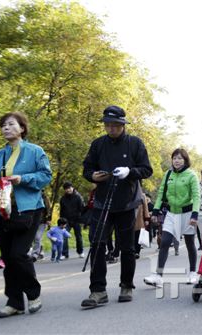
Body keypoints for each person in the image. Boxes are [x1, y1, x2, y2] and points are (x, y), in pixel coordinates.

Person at [81, 105, 153, 308]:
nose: (110, 128)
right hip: (102, 202)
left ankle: (127, 285)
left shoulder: (135, 144)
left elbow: (147, 169)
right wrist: (92, 175)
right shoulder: (98, 144)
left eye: (115, 125)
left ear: (123, 125)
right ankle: (97, 291)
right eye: (107, 125)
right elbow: (87, 169)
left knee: (127, 247)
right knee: (97, 244)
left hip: (127, 202)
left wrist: (129, 171)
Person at [0, 112, 52, 317]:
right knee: (7, 257)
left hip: (29, 209)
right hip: (3, 210)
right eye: (3, 125)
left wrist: (22, 178)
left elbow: (45, 176)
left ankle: (33, 295)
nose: (6, 128)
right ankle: (14, 302)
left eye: (11, 124)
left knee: (18, 254)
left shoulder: (34, 151)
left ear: (22, 128)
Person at [144, 148, 200, 288]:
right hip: (171, 214)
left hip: (187, 214)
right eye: (175, 158)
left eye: (180, 158)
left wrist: (194, 214)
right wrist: (155, 212)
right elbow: (162, 193)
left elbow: (196, 196)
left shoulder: (191, 175)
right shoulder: (168, 174)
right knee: (164, 242)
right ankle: (158, 276)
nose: (177, 160)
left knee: (189, 243)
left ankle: (193, 272)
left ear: (185, 160)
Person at [60, 182, 85, 259]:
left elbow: (82, 209)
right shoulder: (63, 199)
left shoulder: (78, 197)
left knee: (78, 237)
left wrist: (83, 220)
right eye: (66, 189)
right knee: (64, 236)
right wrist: (61, 221)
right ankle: (64, 254)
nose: (68, 190)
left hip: (77, 220)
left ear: (72, 187)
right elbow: (62, 211)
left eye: (69, 188)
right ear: (65, 190)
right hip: (66, 220)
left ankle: (80, 252)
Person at [30, 192, 51, 262]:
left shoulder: (44, 197)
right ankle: (41, 252)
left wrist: (48, 219)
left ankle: (35, 255)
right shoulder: (30, 195)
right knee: (34, 238)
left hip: (42, 221)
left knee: (37, 237)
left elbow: (48, 209)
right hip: (32, 221)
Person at [134, 186, 151, 259]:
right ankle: (132, 251)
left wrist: (147, 219)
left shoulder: (142, 195)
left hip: (139, 219)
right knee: (131, 237)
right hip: (129, 219)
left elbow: (145, 208)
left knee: (138, 236)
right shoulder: (127, 193)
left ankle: (137, 252)